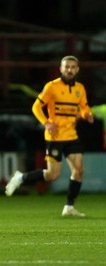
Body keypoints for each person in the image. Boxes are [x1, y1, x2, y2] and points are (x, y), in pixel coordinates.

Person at [5, 55, 94, 217]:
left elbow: (84, 106)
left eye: (73, 67)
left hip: (71, 135)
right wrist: (46, 123)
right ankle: (21, 178)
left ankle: (69, 207)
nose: (70, 70)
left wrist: (87, 114)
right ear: (60, 69)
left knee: (79, 170)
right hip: (55, 136)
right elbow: (36, 107)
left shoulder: (80, 88)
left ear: (77, 69)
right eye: (66, 67)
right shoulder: (52, 87)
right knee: (53, 175)